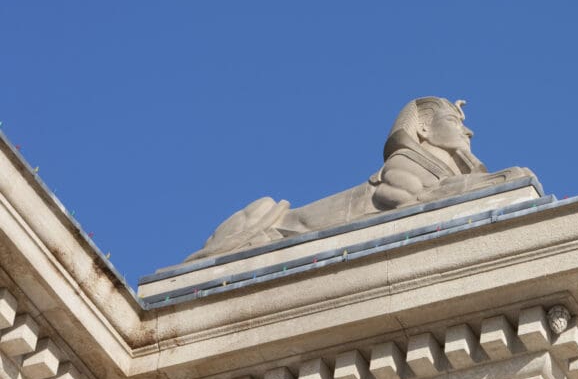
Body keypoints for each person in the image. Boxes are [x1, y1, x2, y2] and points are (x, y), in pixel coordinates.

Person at [184, 97, 525, 262]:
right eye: (454, 120)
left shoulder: (429, 171)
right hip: (275, 230)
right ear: (422, 127)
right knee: (264, 205)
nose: (467, 130)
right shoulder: (401, 167)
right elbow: (416, 200)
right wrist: (495, 182)